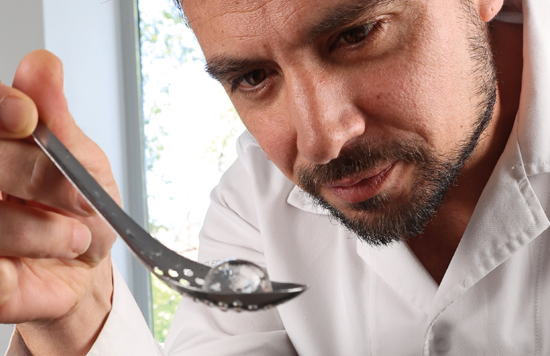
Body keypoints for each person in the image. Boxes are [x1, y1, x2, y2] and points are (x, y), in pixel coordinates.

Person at [0, 0, 547, 354]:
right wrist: (79, 314)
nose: (320, 140)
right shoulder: (255, 202)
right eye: (255, 77)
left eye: (356, 35)